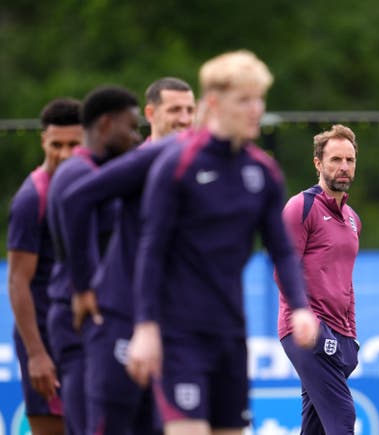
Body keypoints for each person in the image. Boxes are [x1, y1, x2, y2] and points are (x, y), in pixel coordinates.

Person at [125, 50, 318, 435]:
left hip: (231, 333)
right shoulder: (176, 163)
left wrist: (300, 306)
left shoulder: (262, 170)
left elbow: (280, 247)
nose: (255, 110)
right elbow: (152, 248)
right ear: (213, 103)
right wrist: (145, 326)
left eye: (259, 100)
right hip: (178, 335)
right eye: (244, 100)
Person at [58, 77, 195, 435]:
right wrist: (85, 286)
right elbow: (77, 204)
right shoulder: (135, 162)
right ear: (152, 113)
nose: (184, 118)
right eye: (174, 110)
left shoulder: (195, 165)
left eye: (190, 110)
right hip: (116, 317)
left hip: (165, 323)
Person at [46, 85, 141, 435]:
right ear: (104, 125)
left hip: (99, 313)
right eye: (130, 127)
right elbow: (77, 238)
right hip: (80, 314)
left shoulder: (98, 171)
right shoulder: (79, 174)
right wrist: (85, 287)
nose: (134, 137)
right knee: (91, 423)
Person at [276, 124, 361, 434]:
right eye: (335, 159)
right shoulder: (302, 207)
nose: (343, 167)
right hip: (307, 330)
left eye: (349, 160)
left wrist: (351, 335)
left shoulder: (353, 219)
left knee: (315, 427)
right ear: (318, 163)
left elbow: (346, 281)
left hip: (342, 334)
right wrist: (307, 321)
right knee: (343, 415)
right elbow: (284, 270)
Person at [7, 98, 82, 435]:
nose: (65, 154)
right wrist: (36, 354)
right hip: (45, 342)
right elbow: (17, 281)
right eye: (57, 145)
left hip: (82, 340)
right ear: (43, 142)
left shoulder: (91, 185)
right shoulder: (32, 198)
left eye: (74, 144)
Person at [143, 77, 195, 142]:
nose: (185, 120)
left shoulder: (204, 151)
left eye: (190, 110)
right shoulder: (137, 152)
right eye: (175, 110)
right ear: (150, 114)